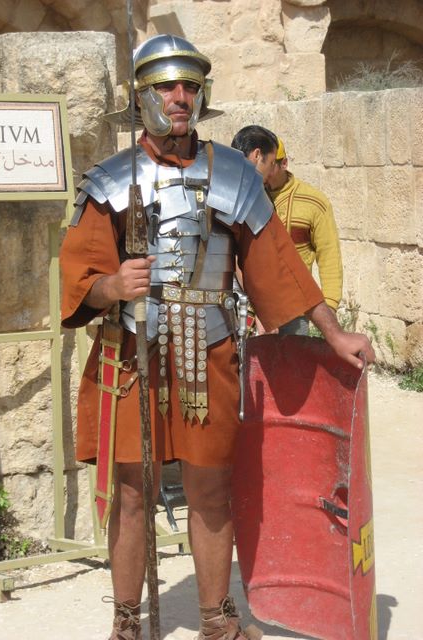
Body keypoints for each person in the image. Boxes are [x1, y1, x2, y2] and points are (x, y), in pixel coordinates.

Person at [59, 34, 375, 640]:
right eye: (166, 87)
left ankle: (216, 620)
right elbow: (77, 276)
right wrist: (111, 286)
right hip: (132, 356)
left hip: (209, 354)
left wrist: (333, 333)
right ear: (143, 96)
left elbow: (279, 266)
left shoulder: (233, 174)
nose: (180, 97)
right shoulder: (109, 180)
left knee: (210, 490)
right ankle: (125, 622)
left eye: (190, 86)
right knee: (132, 493)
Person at [231, 126, 343, 336]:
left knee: (294, 356)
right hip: (251, 308)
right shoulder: (246, 197)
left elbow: (329, 256)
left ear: (283, 164)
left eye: (273, 164)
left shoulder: (314, 202)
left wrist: (329, 306)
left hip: (295, 309)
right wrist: (260, 308)